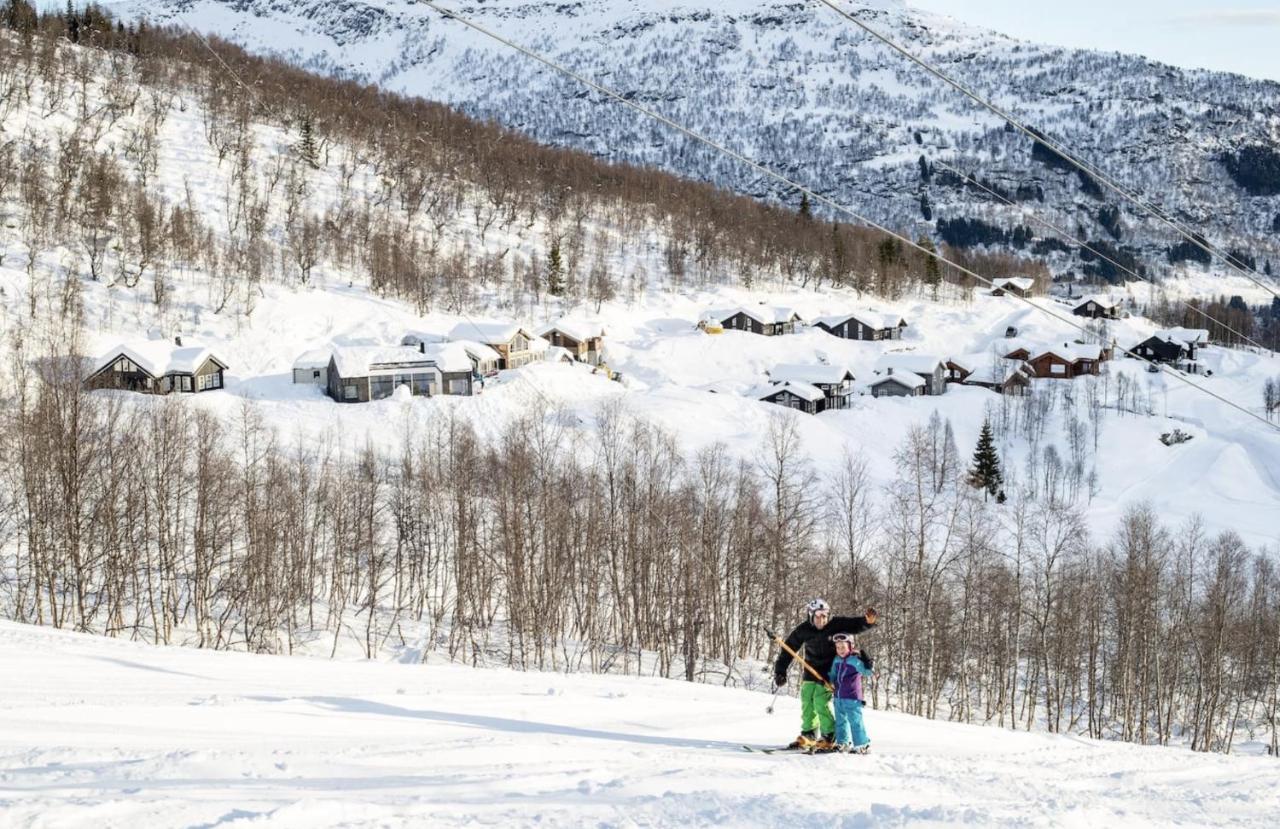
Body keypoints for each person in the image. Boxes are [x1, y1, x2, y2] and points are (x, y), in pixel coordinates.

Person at [774, 598, 877, 750]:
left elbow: (854, 625)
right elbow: (789, 647)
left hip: (828, 673)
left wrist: (867, 622)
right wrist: (780, 670)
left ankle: (829, 734)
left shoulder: (834, 624)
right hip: (810, 671)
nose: (821, 619)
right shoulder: (804, 629)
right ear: (811, 615)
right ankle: (809, 733)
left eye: (824, 615)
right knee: (807, 700)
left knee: (819, 701)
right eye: (818, 616)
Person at [828, 633, 874, 754]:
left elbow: (868, 673)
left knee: (855, 721)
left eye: (843, 647)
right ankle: (843, 742)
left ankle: (862, 744)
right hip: (838, 697)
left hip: (852, 697)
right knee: (840, 721)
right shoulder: (836, 660)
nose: (840, 650)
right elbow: (832, 674)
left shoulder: (855, 660)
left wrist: (868, 664)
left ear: (850, 646)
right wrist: (831, 681)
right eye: (838, 647)